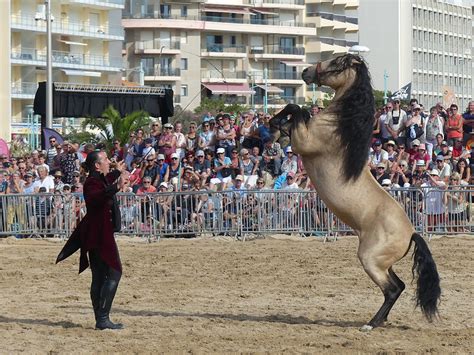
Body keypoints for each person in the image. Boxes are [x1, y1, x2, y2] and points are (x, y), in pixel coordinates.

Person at [56, 151, 127, 330]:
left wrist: (117, 173)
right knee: (114, 273)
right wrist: (116, 186)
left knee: (99, 276)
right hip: (99, 234)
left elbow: (105, 182)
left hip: (97, 233)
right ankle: (102, 318)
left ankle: (101, 319)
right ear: (97, 165)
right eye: (105, 159)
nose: (109, 161)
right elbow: (98, 196)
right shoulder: (91, 182)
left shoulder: (98, 179)